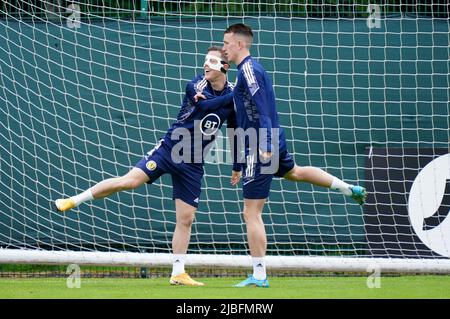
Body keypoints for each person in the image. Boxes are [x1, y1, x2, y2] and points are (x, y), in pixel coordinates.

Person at [54, 46, 238, 286]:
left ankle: (178, 273)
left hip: (193, 163)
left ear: (225, 66)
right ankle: (74, 200)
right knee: (129, 181)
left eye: (212, 62)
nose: (205, 65)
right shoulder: (196, 85)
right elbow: (205, 107)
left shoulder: (232, 94)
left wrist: (238, 163)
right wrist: (238, 94)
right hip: (169, 150)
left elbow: (234, 128)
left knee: (186, 218)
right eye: (205, 61)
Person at [222, 23, 367, 288]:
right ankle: (347, 188)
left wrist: (263, 141)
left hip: (260, 143)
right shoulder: (249, 70)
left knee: (251, 212)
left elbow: (262, 106)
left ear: (240, 44)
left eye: (226, 44)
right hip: (269, 139)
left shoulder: (249, 69)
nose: (224, 49)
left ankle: (259, 274)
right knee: (295, 172)